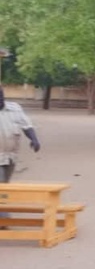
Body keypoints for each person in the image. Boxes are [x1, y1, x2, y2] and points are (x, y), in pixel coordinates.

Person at [0, 86, 41, 225]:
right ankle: (3, 220)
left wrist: (34, 139)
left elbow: (27, 125)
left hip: (10, 156)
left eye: (1, 96)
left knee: (5, 186)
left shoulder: (14, 108)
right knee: (1, 188)